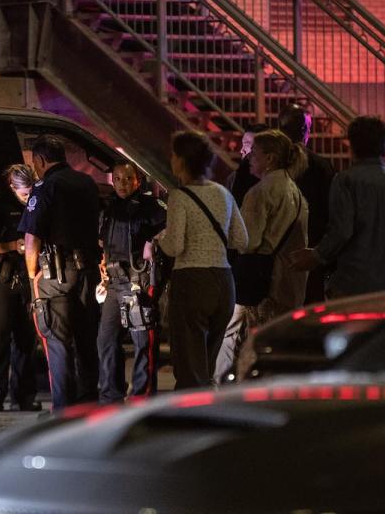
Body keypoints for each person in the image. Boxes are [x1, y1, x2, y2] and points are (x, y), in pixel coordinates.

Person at [290, 116, 385, 297]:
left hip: (354, 285)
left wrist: (316, 256)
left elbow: (341, 231)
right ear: (384, 145)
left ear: (352, 146)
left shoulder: (345, 181)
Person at [18, 135, 102, 410]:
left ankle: (64, 410)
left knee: (59, 343)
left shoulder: (45, 188)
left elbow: (32, 237)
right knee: (87, 340)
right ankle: (89, 402)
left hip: (56, 275)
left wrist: (32, 275)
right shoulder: (87, 183)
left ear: (40, 160)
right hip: (88, 272)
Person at [159, 130, 248, 389]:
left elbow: (174, 246)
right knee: (206, 366)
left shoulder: (180, 197)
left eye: (174, 155)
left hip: (192, 281)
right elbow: (242, 240)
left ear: (182, 160)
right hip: (224, 281)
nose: (171, 159)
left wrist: (158, 241)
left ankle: (191, 421)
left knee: (189, 369)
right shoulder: (222, 192)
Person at [219, 129, 309, 380]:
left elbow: (249, 241)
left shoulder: (260, 192)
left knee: (256, 345)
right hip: (289, 279)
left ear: (269, 158)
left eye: (255, 154)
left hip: (264, 282)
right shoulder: (294, 189)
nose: (249, 159)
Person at [97, 161, 167, 403]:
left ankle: (142, 396)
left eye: (127, 179)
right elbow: (103, 243)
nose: (122, 184)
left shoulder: (152, 207)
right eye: (117, 179)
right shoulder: (109, 208)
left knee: (142, 341)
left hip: (139, 280)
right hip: (114, 283)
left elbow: (169, 230)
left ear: (137, 180)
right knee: (106, 339)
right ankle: (111, 394)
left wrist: (154, 240)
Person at [0, 164, 40, 412]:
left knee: (27, 340)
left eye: (31, 192)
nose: (28, 198)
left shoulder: (37, 203)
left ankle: (24, 397)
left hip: (28, 278)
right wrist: (12, 245)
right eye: (24, 194)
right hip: (3, 278)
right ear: (12, 187)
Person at [277, 104, 334, 304]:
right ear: (305, 131)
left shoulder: (269, 164)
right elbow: (329, 213)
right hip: (310, 254)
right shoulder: (320, 166)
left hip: (275, 254)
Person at [225, 123, 269, 208]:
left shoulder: (276, 181)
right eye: (243, 144)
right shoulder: (234, 178)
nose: (242, 150)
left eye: (248, 144)